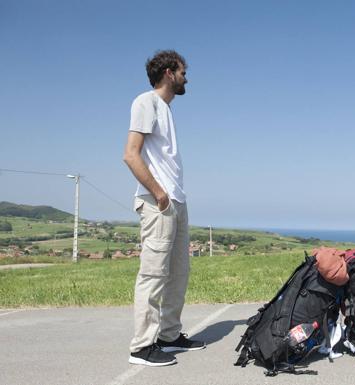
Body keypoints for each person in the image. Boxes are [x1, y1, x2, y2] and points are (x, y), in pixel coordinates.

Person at [123, 50, 205, 366]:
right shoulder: (145, 102)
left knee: (178, 273)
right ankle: (142, 347)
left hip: (176, 202)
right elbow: (131, 154)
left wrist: (173, 197)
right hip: (160, 202)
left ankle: (169, 336)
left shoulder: (166, 109)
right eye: (184, 71)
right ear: (170, 73)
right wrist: (159, 194)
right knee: (153, 275)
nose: (187, 77)